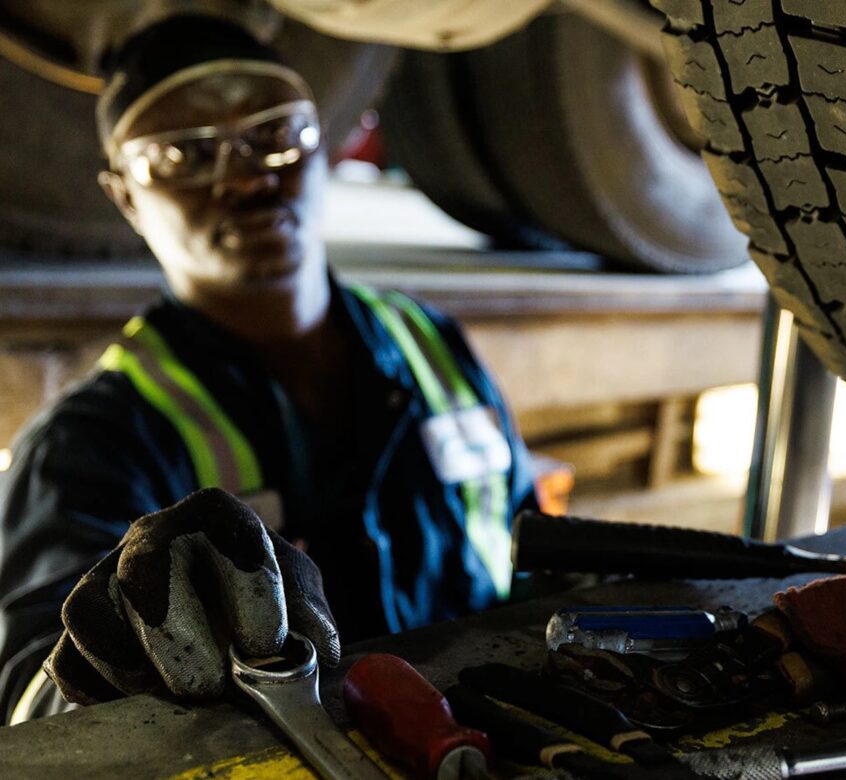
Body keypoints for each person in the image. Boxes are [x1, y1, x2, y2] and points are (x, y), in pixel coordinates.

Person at [0, 15, 536, 723]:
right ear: (126, 197)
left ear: (324, 144)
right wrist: (118, 656)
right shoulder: (89, 446)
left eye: (275, 134)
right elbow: (33, 706)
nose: (249, 178)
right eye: (181, 156)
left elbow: (531, 549)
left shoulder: (429, 339)